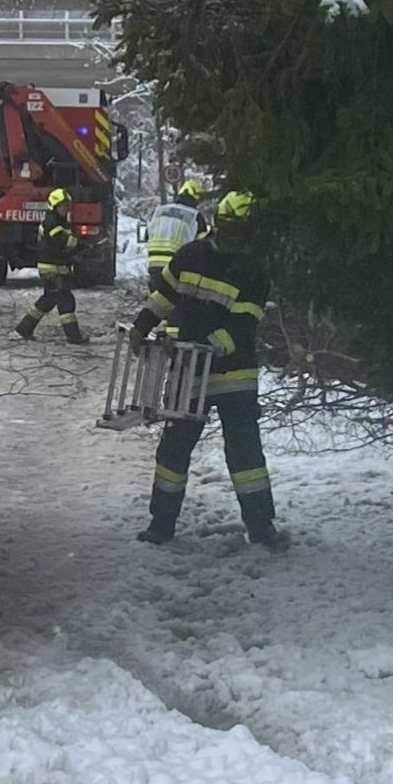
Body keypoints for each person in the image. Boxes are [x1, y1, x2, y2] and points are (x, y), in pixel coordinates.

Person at [128, 189, 279, 546]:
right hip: (189, 370)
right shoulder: (190, 255)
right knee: (174, 450)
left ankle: (261, 528)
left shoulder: (252, 271)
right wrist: (141, 326)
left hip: (231, 374)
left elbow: (242, 326)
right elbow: (164, 296)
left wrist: (203, 349)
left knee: (244, 455)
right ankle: (161, 525)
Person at [14, 186, 88, 344]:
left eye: (66, 206)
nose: (65, 209)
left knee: (48, 300)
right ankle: (73, 336)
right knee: (65, 300)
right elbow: (63, 241)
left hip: (56, 267)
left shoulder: (59, 221)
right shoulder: (51, 222)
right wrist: (83, 246)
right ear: (54, 206)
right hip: (52, 269)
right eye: (62, 206)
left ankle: (24, 329)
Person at [142, 175, 207, 279]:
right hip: (178, 264)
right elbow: (202, 245)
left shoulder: (160, 210)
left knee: (156, 287)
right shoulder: (195, 216)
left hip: (154, 262)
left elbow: (147, 235)